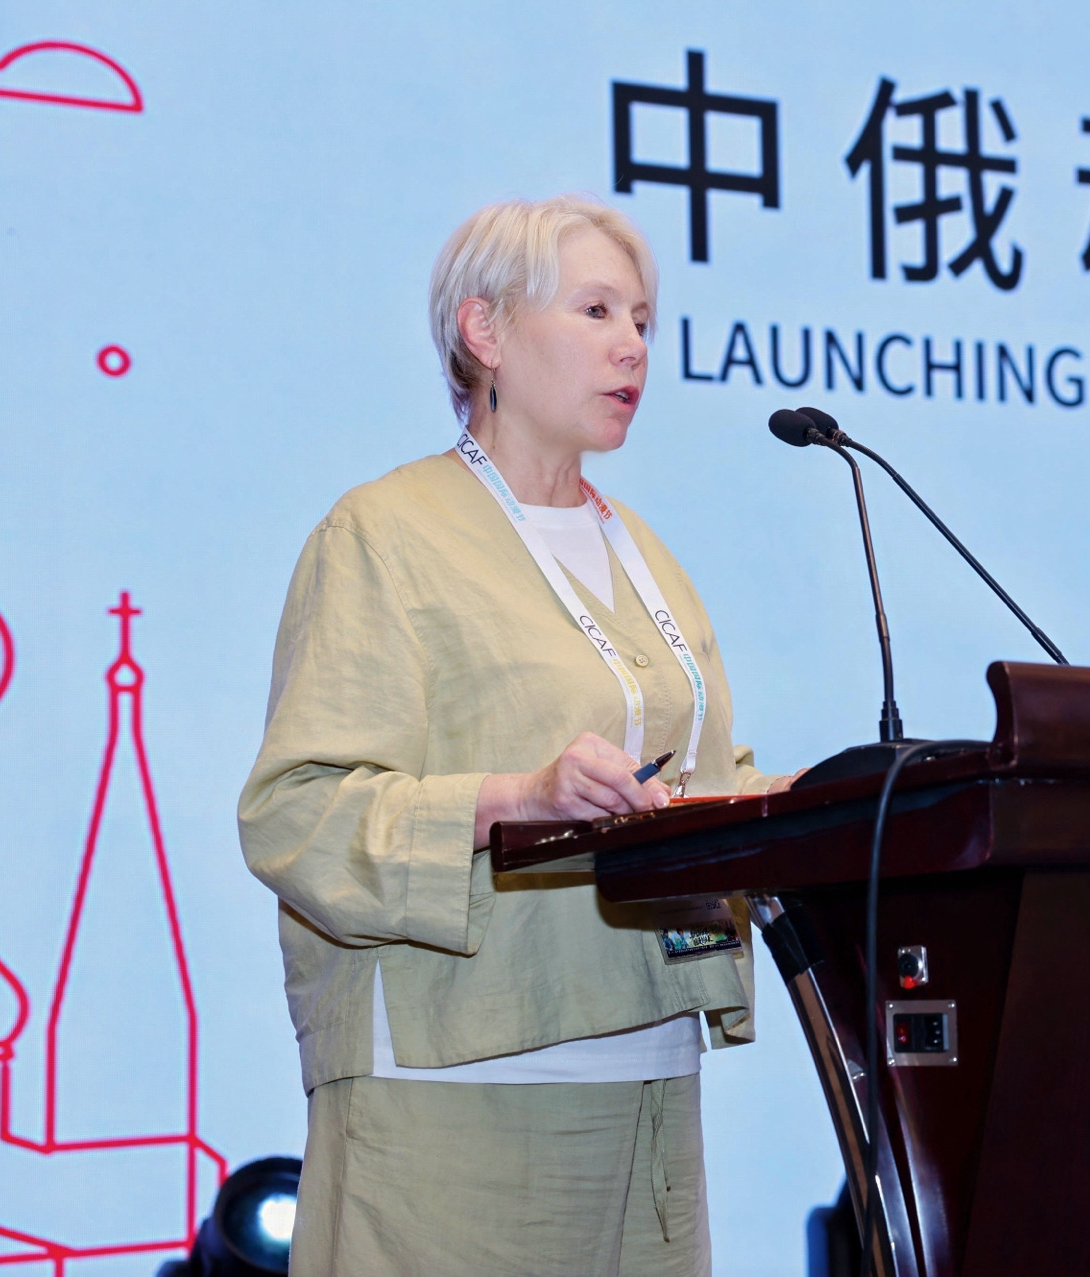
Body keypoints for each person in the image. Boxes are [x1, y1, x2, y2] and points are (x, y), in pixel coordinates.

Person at [238, 195, 791, 1276]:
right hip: (451, 1091)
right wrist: (516, 798)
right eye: (596, 310)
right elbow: (297, 812)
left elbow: (696, 784)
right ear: (484, 329)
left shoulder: (646, 554)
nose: (633, 345)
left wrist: (824, 799)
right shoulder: (384, 534)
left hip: (649, 1076)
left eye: (643, 320)